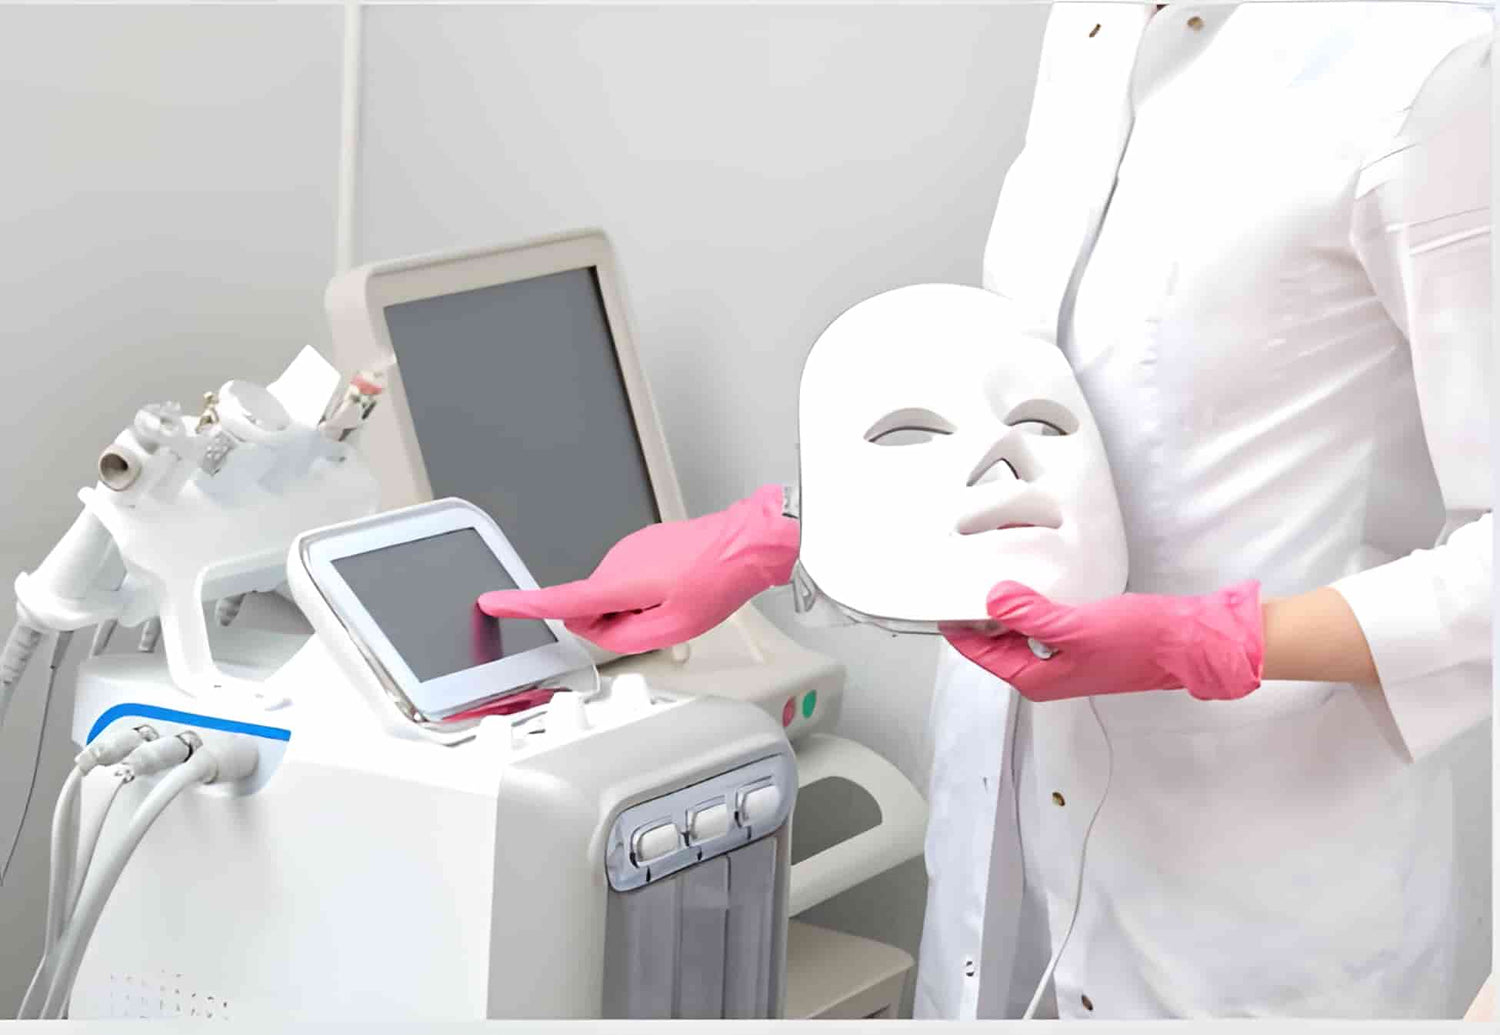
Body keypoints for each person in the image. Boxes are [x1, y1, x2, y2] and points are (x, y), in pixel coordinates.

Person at [478, 1, 1493, 1020]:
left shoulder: (1432, 63)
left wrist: (1217, 642)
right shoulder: (1093, 31)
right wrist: (791, 532)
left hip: (1251, 906)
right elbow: (1069, 427)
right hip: (1012, 844)